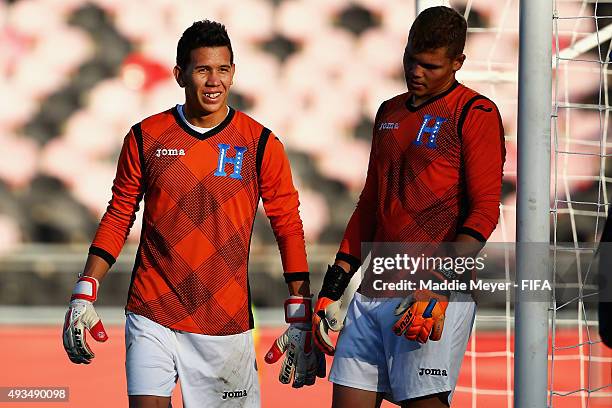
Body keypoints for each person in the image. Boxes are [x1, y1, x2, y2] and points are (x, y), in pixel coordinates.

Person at [62, 20, 323, 408]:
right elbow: (119, 214)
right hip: (153, 310)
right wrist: (84, 291)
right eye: (202, 69)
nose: (213, 80)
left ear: (233, 73)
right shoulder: (145, 137)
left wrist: (300, 309)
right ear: (180, 74)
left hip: (223, 321)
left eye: (222, 69)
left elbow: (288, 226)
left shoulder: (261, 144)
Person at [312, 6, 505, 408]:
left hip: (429, 294)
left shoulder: (475, 112)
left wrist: (437, 281)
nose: (416, 71)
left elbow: (486, 210)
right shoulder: (388, 111)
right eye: (411, 59)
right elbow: (369, 206)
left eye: (431, 65)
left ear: (458, 63)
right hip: (372, 292)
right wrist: (333, 288)